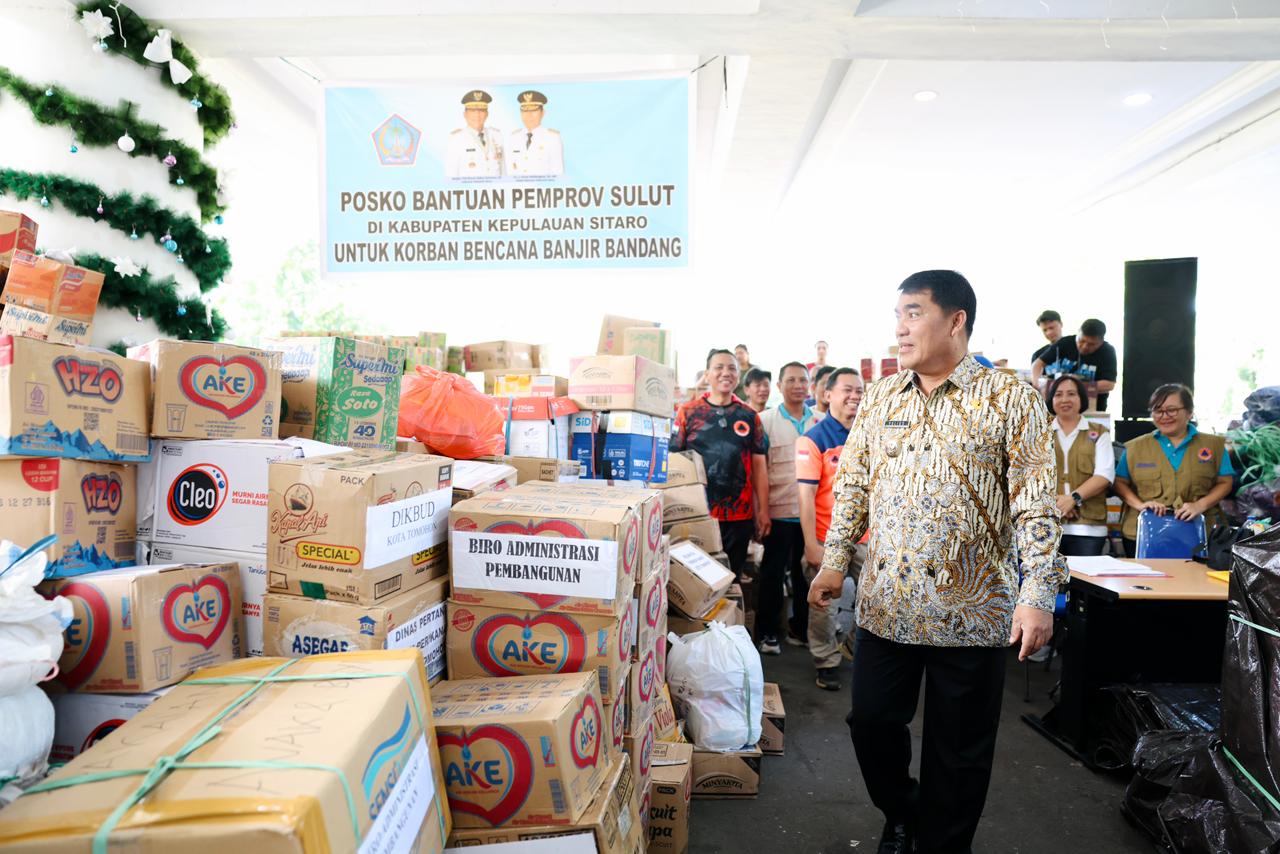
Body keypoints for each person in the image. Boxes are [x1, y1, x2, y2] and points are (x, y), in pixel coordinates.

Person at [808, 270, 1064, 854]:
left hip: (973, 613)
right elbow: (853, 488)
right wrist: (833, 561)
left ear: (956, 321)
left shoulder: (1010, 399)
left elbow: (1035, 505)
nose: (900, 328)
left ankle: (944, 845)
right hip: (888, 606)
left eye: (914, 313)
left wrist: (1036, 595)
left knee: (960, 751)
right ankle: (901, 811)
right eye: (897, 314)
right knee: (871, 723)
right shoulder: (880, 398)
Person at [672, 350, 770, 578]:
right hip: (699, 513)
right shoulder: (688, 412)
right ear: (707, 374)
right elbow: (675, 463)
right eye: (719, 367)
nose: (726, 372)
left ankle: (730, 615)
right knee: (697, 578)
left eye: (732, 368)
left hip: (739, 516)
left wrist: (763, 511)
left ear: (738, 376)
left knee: (731, 577)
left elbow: (759, 467)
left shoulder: (749, 416)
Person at [796, 367, 865, 689]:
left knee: (876, 598)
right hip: (827, 538)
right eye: (846, 389)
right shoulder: (814, 439)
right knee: (824, 606)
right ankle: (826, 660)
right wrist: (811, 543)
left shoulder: (870, 434)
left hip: (868, 539)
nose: (854, 396)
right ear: (827, 395)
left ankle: (852, 645)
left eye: (859, 390)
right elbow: (806, 495)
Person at [1113, 383, 1234, 558]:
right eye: (1158, 410)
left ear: (1189, 412)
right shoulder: (1134, 447)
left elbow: (1225, 482)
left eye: (1171, 410)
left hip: (1200, 534)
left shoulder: (1213, 445)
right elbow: (1119, 483)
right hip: (1143, 535)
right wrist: (1140, 505)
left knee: (1195, 583)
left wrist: (1200, 505)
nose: (1164, 416)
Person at [756, 362, 819, 655]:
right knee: (771, 575)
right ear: (780, 386)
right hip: (778, 514)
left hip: (812, 518)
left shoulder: (819, 421)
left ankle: (801, 629)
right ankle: (767, 633)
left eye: (803, 380)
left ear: (810, 385)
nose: (798, 385)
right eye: (791, 380)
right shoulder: (764, 421)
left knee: (806, 575)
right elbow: (759, 471)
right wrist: (763, 511)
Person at [1045, 375, 1115, 557]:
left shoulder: (1099, 432)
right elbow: (1030, 475)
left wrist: (1072, 499)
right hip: (1048, 525)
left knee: (1084, 585)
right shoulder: (1040, 433)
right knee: (1049, 584)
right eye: (1058, 394)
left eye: (1071, 394)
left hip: (1089, 528)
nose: (1065, 399)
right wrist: (1057, 503)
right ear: (1051, 399)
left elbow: (1104, 475)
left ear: (1081, 399)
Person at [1031, 318, 1118, 411]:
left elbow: (1109, 384)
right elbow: (1038, 364)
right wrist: (1038, 385)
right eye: (1081, 341)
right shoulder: (1065, 342)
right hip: (1057, 410)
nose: (1084, 347)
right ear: (1078, 333)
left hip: (1091, 409)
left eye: (1091, 344)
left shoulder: (1107, 351)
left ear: (1101, 342)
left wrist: (1071, 387)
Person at [445, 89, 503, 178]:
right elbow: (451, 176)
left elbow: (503, 171)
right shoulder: (456, 138)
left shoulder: (496, 135)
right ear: (465, 114)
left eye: (481, 110)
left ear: (487, 114)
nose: (477, 115)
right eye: (472, 111)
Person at [505, 90, 564, 176]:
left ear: (542, 113)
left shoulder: (552, 137)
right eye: (525, 111)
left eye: (534, 110)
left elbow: (558, 173)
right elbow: (510, 171)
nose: (529, 115)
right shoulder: (513, 137)